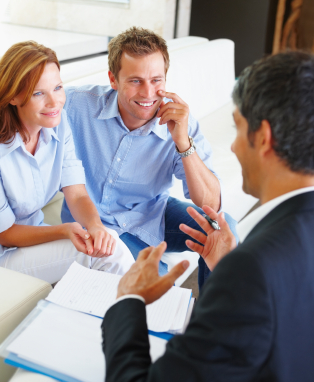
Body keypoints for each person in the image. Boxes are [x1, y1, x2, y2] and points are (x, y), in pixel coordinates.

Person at [102, 51, 314, 382]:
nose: (232, 148)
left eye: (238, 128)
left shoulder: (251, 268)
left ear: (263, 138)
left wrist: (127, 301)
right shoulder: (261, 256)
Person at [61, 26, 238, 288]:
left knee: (225, 230)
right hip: (96, 224)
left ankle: (215, 321)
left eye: (156, 80)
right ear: (113, 79)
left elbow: (211, 203)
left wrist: (182, 142)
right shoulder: (75, 105)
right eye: (135, 81)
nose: (147, 93)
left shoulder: (181, 124)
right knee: (150, 287)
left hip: (151, 213)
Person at [0, 41, 134, 284]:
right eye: (38, 93)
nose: (54, 102)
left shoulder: (59, 126)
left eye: (58, 87)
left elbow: (77, 194)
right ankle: (140, 317)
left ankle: (124, 317)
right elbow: (5, 234)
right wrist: (63, 230)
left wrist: (95, 226)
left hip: (35, 239)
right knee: (108, 255)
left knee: (106, 240)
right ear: (14, 96)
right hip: (4, 254)